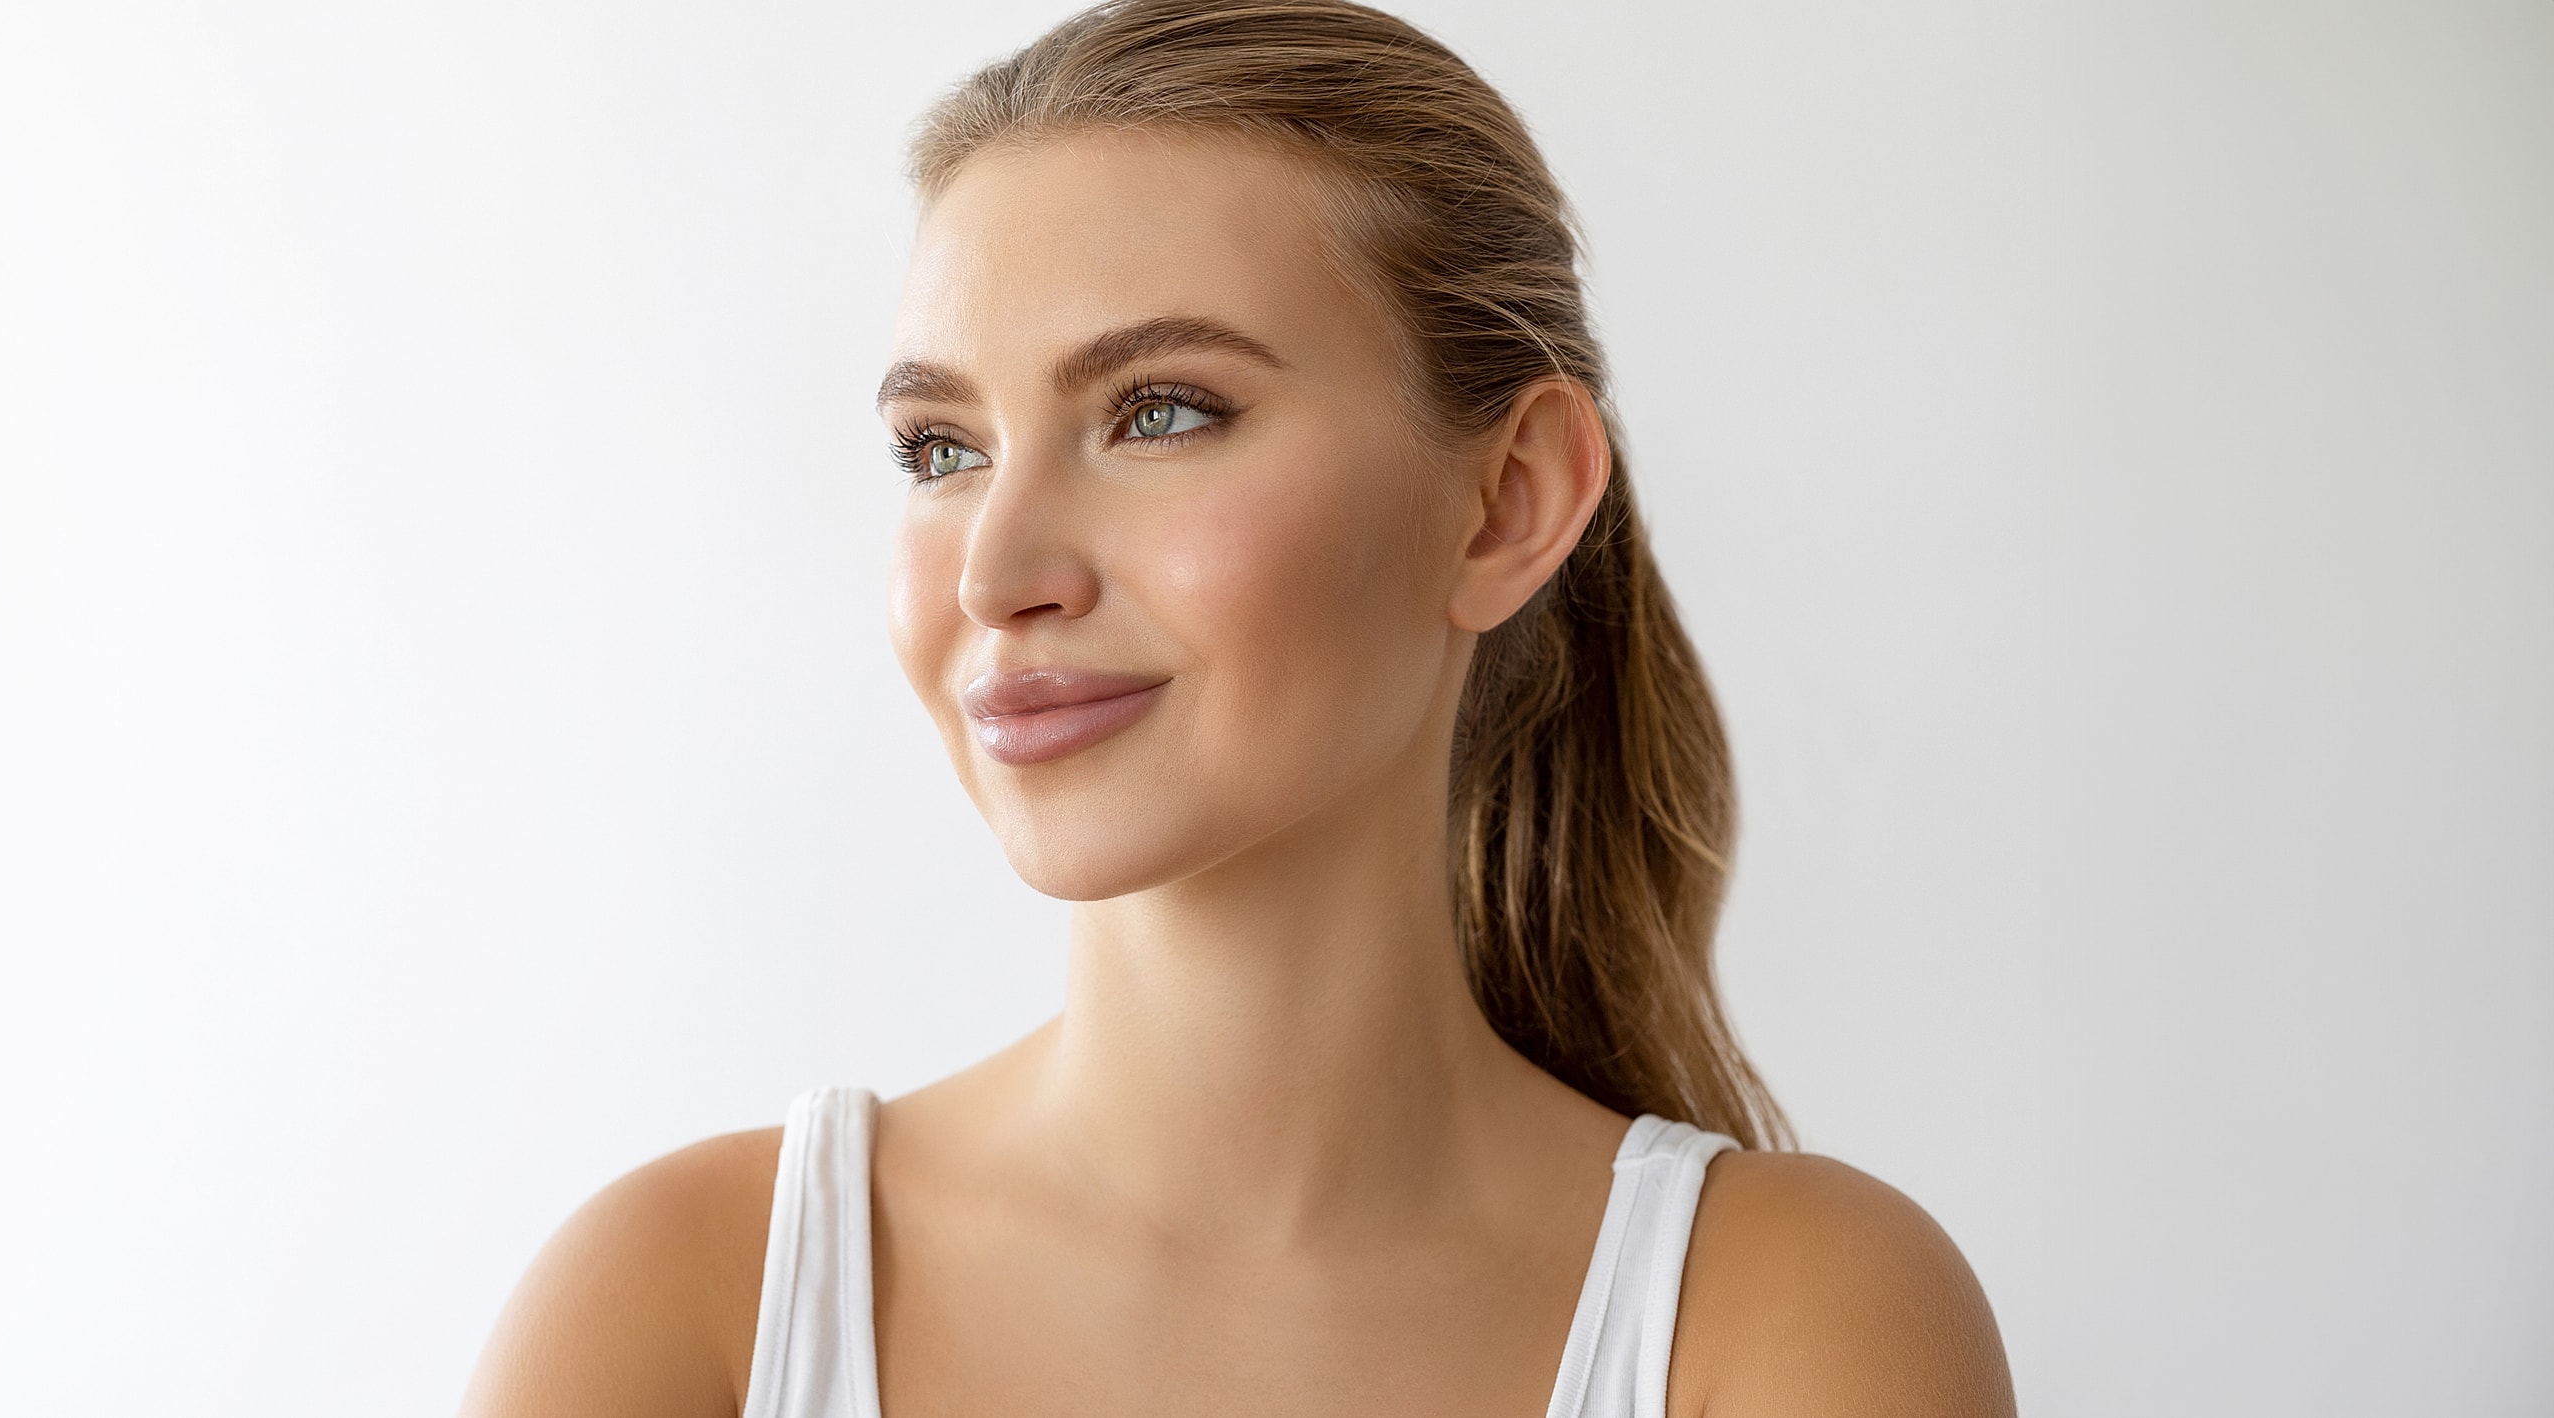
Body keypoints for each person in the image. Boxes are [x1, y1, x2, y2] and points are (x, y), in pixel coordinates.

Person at [459, 2, 2017, 1414]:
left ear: (1508, 502)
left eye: (1161, 412)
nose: (997, 569)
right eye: (942, 448)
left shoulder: (1794, 1319)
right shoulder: (682, 1312)